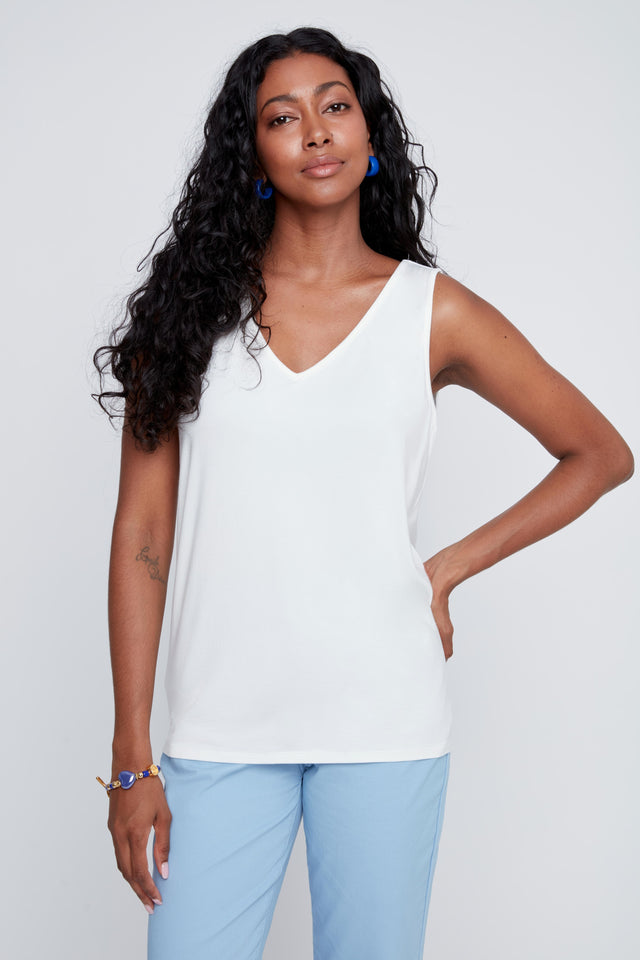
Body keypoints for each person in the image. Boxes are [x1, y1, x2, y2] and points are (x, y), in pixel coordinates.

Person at [92, 26, 633, 960]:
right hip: (220, 727)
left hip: (385, 720)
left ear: (368, 135)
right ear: (252, 155)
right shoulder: (190, 316)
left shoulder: (434, 311)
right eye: (282, 117)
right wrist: (131, 756)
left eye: (335, 106)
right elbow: (143, 535)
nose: (315, 130)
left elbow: (598, 453)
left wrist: (447, 568)